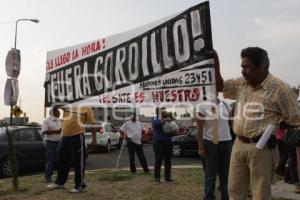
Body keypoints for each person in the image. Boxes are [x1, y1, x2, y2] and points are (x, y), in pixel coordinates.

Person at [215, 47, 300, 199]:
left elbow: (295, 121)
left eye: (247, 67)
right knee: (234, 191)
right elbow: (219, 86)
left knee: (260, 194)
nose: (243, 71)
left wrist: (277, 125)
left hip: (263, 149)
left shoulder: (280, 89)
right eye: (242, 66)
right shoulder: (242, 83)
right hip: (238, 144)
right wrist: (215, 62)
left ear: (263, 67)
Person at [46, 106, 95, 193]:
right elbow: (55, 105)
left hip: (77, 135)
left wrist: (94, 139)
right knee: (61, 159)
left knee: (78, 161)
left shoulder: (87, 107)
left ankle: (79, 185)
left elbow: (92, 124)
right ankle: (60, 182)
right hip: (65, 136)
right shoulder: (68, 104)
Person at [197, 97, 232, 200]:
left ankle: (226, 196)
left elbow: (230, 123)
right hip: (210, 143)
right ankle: (209, 196)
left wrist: (224, 134)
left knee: (225, 174)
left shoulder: (226, 105)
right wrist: (201, 146)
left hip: (227, 142)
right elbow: (199, 128)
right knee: (211, 175)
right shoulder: (202, 105)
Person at [152, 108, 177, 183]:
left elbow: (174, 126)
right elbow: (156, 124)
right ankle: (157, 177)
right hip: (158, 142)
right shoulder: (155, 117)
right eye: (163, 110)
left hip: (168, 141)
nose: (165, 111)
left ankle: (167, 177)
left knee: (168, 160)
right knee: (158, 160)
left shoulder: (168, 118)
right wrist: (166, 120)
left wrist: (174, 130)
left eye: (165, 110)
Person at [42, 106, 62, 183]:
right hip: (50, 143)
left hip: (59, 143)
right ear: (53, 112)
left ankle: (59, 176)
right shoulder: (46, 121)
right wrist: (57, 131)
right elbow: (44, 131)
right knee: (50, 160)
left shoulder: (60, 121)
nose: (59, 113)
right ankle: (48, 177)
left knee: (59, 160)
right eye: (57, 111)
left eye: (59, 111)